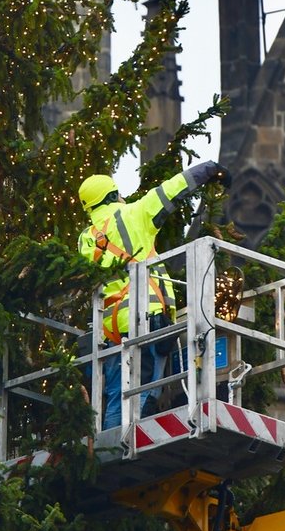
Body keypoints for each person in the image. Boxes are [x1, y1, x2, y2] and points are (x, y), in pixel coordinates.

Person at [77, 162, 228, 430]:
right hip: (145, 315)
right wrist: (210, 170)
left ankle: (110, 445)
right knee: (141, 394)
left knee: (116, 393)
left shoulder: (86, 238)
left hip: (109, 328)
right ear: (113, 195)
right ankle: (123, 447)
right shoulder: (134, 214)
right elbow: (172, 189)